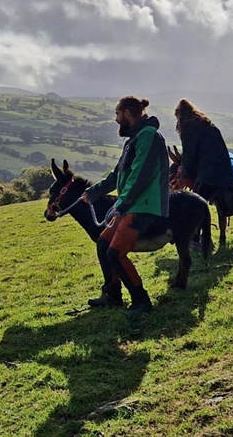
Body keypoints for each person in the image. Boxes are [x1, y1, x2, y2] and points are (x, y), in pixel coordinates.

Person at [81, 95, 169, 313]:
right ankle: (112, 295)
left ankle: (141, 301)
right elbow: (117, 174)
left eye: (117, 114)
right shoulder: (136, 138)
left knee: (115, 253)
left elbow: (141, 174)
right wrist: (93, 192)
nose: (116, 119)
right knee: (103, 244)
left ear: (127, 114)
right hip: (131, 204)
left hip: (143, 205)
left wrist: (123, 203)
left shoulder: (148, 136)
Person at [173, 99, 233, 213]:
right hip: (224, 172)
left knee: (194, 205)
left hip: (208, 174)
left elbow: (189, 156)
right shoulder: (208, 125)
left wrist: (183, 177)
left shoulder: (188, 129)